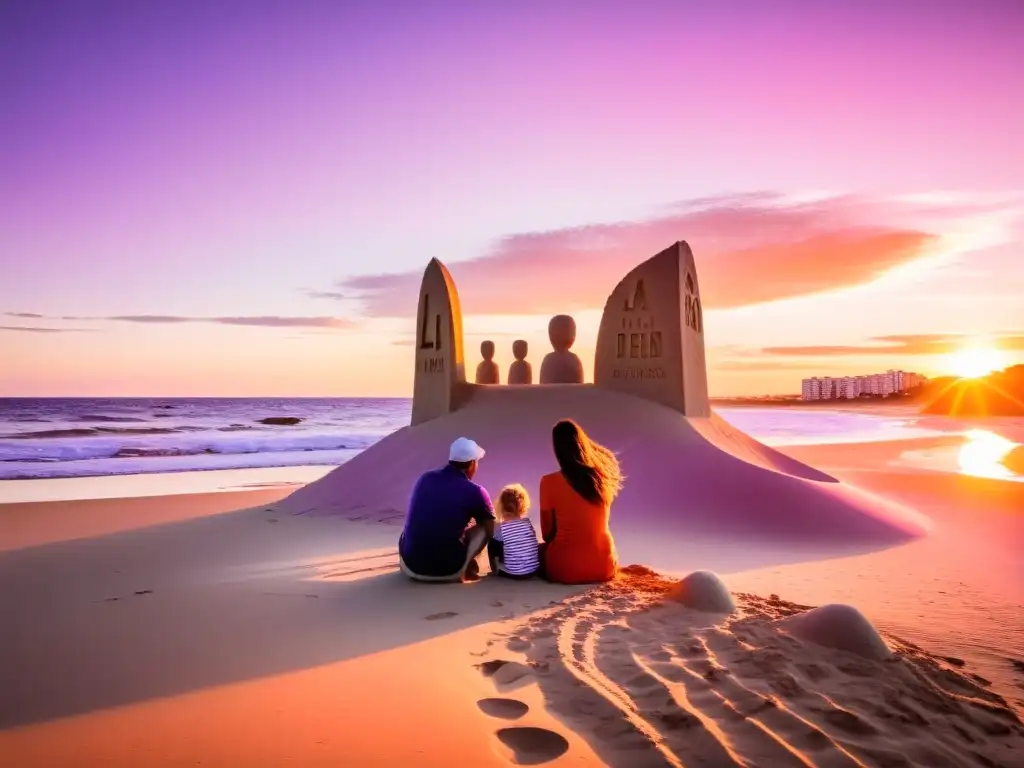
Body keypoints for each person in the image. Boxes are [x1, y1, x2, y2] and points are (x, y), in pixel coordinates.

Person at [398, 437, 495, 582]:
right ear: (472, 464)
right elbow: (489, 528)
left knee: (411, 527)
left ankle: (418, 558)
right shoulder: (476, 491)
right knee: (485, 527)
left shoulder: (425, 478)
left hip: (410, 567)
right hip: (448, 570)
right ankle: (466, 567)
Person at [539, 419, 622, 584]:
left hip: (566, 570)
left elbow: (547, 533)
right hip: (604, 567)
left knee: (537, 551)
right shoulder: (601, 478)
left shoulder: (549, 481)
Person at [487, 484, 541, 579]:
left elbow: (495, 547)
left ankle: (495, 568)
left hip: (513, 573)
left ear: (502, 506)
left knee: (492, 542)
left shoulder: (500, 527)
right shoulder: (528, 523)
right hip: (533, 571)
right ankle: (529, 563)